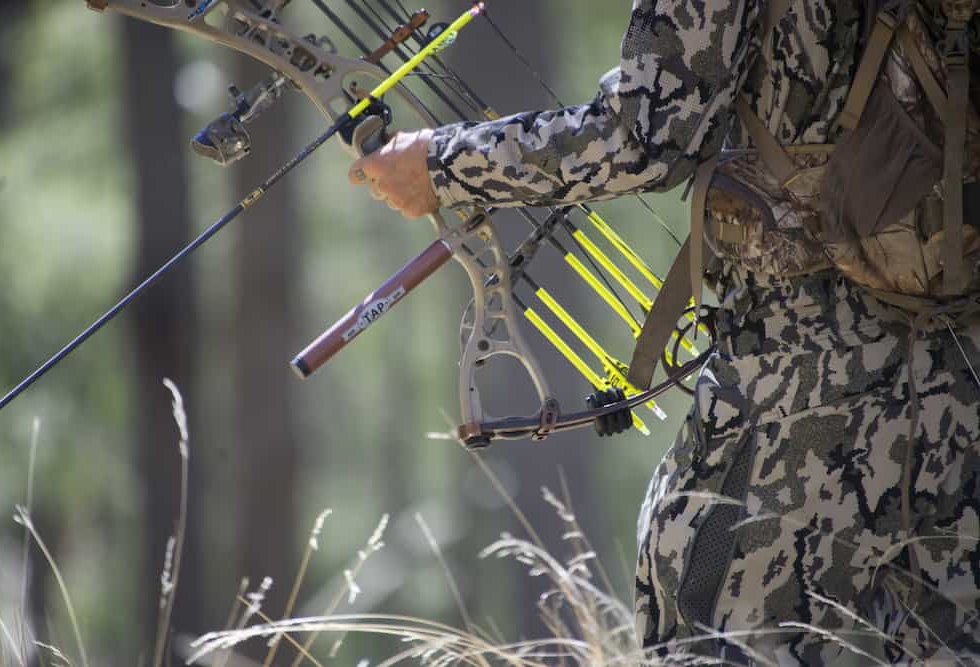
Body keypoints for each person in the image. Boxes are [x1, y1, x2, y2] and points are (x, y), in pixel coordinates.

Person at [349, 0, 980, 663]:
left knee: (707, 633)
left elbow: (644, 136)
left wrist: (442, 164)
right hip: (960, 364)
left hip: (803, 373)